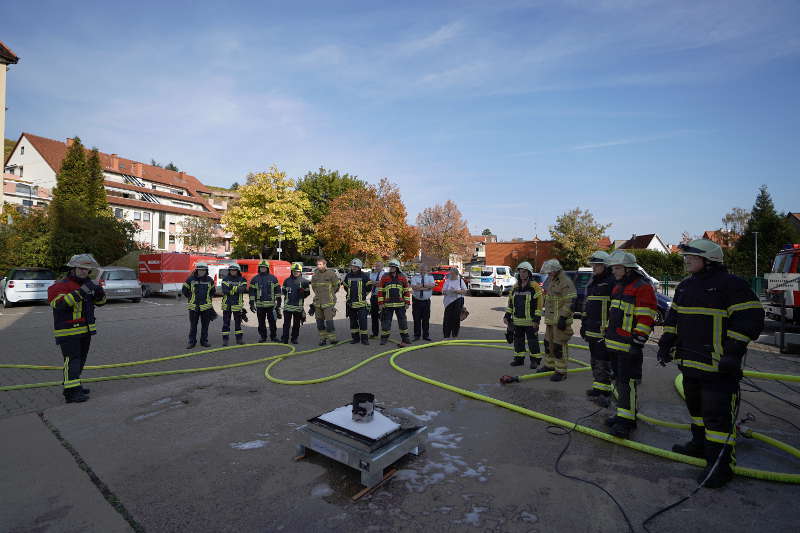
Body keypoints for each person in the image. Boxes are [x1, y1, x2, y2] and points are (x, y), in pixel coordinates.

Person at [657, 239, 764, 488]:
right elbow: (673, 319)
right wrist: (665, 343)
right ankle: (698, 445)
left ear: (708, 260)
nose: (686, 260)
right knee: (696, 411)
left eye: (691, 257)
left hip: (718, 367)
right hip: (690, 363)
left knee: (717, 419)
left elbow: (751, 319)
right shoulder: (685, 287)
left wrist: (733, 353)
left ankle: (721, 466)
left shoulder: (731, 286)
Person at [603, 251, 657, 439]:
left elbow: (646, 317)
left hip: (629, 346)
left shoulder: (642, 288)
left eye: (617, 268)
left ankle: (627, 422)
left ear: (628, 269)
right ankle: (621, 415)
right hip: (614, 344)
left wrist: (638, 341)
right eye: (614, 268)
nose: (614, 271)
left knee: (627, 384)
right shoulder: (618, 287)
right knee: (618, 382)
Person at [47, 254, 107, 403]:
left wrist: (100, 294)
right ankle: (70, 393)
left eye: (87, 269)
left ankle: (75, 385)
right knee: (72, 361)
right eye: (81, 268)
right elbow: (60, 304)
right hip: (68, 331)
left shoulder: (87, 284)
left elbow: (99, 303)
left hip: (85, 331)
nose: (83, 272)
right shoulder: (60, 285)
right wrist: (83, 291)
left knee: (80, 361)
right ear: (73, 268)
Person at [580, 251, 615, 405]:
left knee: (604, 362)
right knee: (595, 360)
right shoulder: (593, 282)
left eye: (597, 265)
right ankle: (598, 387)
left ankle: (605, 392)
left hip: (604, 331)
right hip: (592, 329)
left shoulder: (612, 282)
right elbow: (587, 305)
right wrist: (583, 324)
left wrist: (611, 329)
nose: (593, 267)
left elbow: (615, 309)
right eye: (593, 265)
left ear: (605, 265)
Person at [539, 259, 577, 382]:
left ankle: (561, 371)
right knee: (548, 343)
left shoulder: (565, 282)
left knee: (559, 346)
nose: (548, 274)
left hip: (560, 321)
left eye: (550, 272)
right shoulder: (552, 280)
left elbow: (570, 302)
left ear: (556, 270)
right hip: (550, 320)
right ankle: (549, 365)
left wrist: (563, 317)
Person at [504, 261, 544, 368]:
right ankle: (519, 359)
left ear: (529, 273)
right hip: (517, 321)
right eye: (521, 272)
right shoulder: (515, 287)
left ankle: (535, 360)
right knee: (518, 342)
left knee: (533, 342)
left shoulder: (534, 287)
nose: (522, 274)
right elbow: (510, 303)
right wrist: (507, 316)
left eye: (525, 272)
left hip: (531, 321)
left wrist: (537, 319)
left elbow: (539, 304)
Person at [377, 259, 412, 346]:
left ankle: (405, 338)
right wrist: (381, 303)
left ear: (397, 268)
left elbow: (406, 291)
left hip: (400, 304)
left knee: (403, 322)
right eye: (391, 267)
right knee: (386, 323)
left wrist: (407, 302)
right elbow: (380, 291)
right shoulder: (385, 277)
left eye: (393, 267)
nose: (391, 268)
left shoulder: (402, 277)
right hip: (387, 305)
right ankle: (384, 338)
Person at [182, 261, 216, 349]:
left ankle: (204, 341)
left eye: (203, 270)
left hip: (206, 308)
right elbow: (184, 291)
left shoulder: (210, 280)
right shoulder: (190, 279)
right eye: (200, 270)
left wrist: (207, 300)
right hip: (194, 307)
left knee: (205, 326)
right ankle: (191, 342)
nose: (201, 271)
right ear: (196, 270)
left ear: (206, 270)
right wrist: (191, 298)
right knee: (193, 326)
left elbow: (213, 292)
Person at [249, 260, 282, 342]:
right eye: (261, 267)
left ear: (267, 268)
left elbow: (277, 291)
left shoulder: (273, 278)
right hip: (260, 305)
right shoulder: (255, 279)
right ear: (259, 268)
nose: (263, 269)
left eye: (264, 267)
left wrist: (279, 302)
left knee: (272, 322)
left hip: (271, 305)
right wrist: (251, 303)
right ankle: (263, 337)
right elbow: (252, 292)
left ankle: (273, 337)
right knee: (261, 322)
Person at [311, 257, 340, 345]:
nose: (318, 266)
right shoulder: (315, 275)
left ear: (324, 264)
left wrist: (330, 294)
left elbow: (336, 286)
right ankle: (322, 339)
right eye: (317, 264)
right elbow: (313, 287)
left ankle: (332, 339)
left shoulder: (331, 274)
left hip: (328, 302)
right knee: (319, 322)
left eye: (320, 264)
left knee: (329, 322)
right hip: (318, 303)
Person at [344, 258, 372, 345]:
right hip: (351, 304)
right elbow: (346, 287)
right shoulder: (348, 276)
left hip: (361, 304)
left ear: (359, 267)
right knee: (353, 323)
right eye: (353, 266)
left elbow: (369, 288)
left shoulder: (364, 276)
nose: (354, 267)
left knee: (363, 322)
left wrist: (363, 295)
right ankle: (355, 338)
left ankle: (364, 339)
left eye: (356, 266)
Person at [281, 262, 310, 344]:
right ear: (291, 271)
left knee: (296, 324)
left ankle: (294, 338)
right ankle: (285, 338)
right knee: (286, 324)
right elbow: (283, 291)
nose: (295, 272)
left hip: (298, 307)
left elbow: (308, 293)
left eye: (297, 271)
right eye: (294, 271)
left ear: (300, 272)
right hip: (287, 307)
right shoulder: (287, 281)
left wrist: (303, 293)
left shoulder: (304, 282)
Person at [221, 263, 248, 346]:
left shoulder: (242, 279)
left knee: (238, 324)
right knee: (226, 324)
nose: (233, 271)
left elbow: (242, 290)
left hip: (237, 305)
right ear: (229, 271)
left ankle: (239, 339)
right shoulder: (225, 279)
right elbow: (225, 291)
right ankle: (225, 340)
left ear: (238, 271)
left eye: (234, 270)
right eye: (231, 270)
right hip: (227, 305)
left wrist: (231, 287)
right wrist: (236, 289)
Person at [410, 263, 435, 341]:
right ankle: (417, 335)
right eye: (421, 269)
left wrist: (420, 286)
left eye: (424, 269)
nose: (422, 271)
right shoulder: (415, 277)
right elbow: (413, 287)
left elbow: (432, 286)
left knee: (426, 319)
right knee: (416, 318)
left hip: (426, 301)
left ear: (427, 270)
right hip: (416, 301)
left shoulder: (430, 277)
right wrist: (426, 287)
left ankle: (426, 335)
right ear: (419, 270)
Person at [442, 267, 467, 338]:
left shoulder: (460, 281)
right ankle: (446, 336)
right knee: (447, 319)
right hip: (448, 302)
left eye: (452, 274)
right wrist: (446, 291)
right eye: (450, 274)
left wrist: (457, 291)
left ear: (456, 274)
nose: (451, 275)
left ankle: (455, 335)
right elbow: (443, 291)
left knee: (456, 319)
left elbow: (465, 291)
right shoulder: (447, 281)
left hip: (457, 301)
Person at [368, 261, 384, 338]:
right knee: (374, 316)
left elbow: (381, 284)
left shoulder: (385, 274)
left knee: (383, 316)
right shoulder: (372, 274)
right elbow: (369, 283)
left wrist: (373, 282)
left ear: (382, 266)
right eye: (376, 266)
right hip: (373, 297)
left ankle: (384, 334)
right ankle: (375, 333)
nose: (377, 267)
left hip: (381, 298)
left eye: (378, 266)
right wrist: (376, 283)